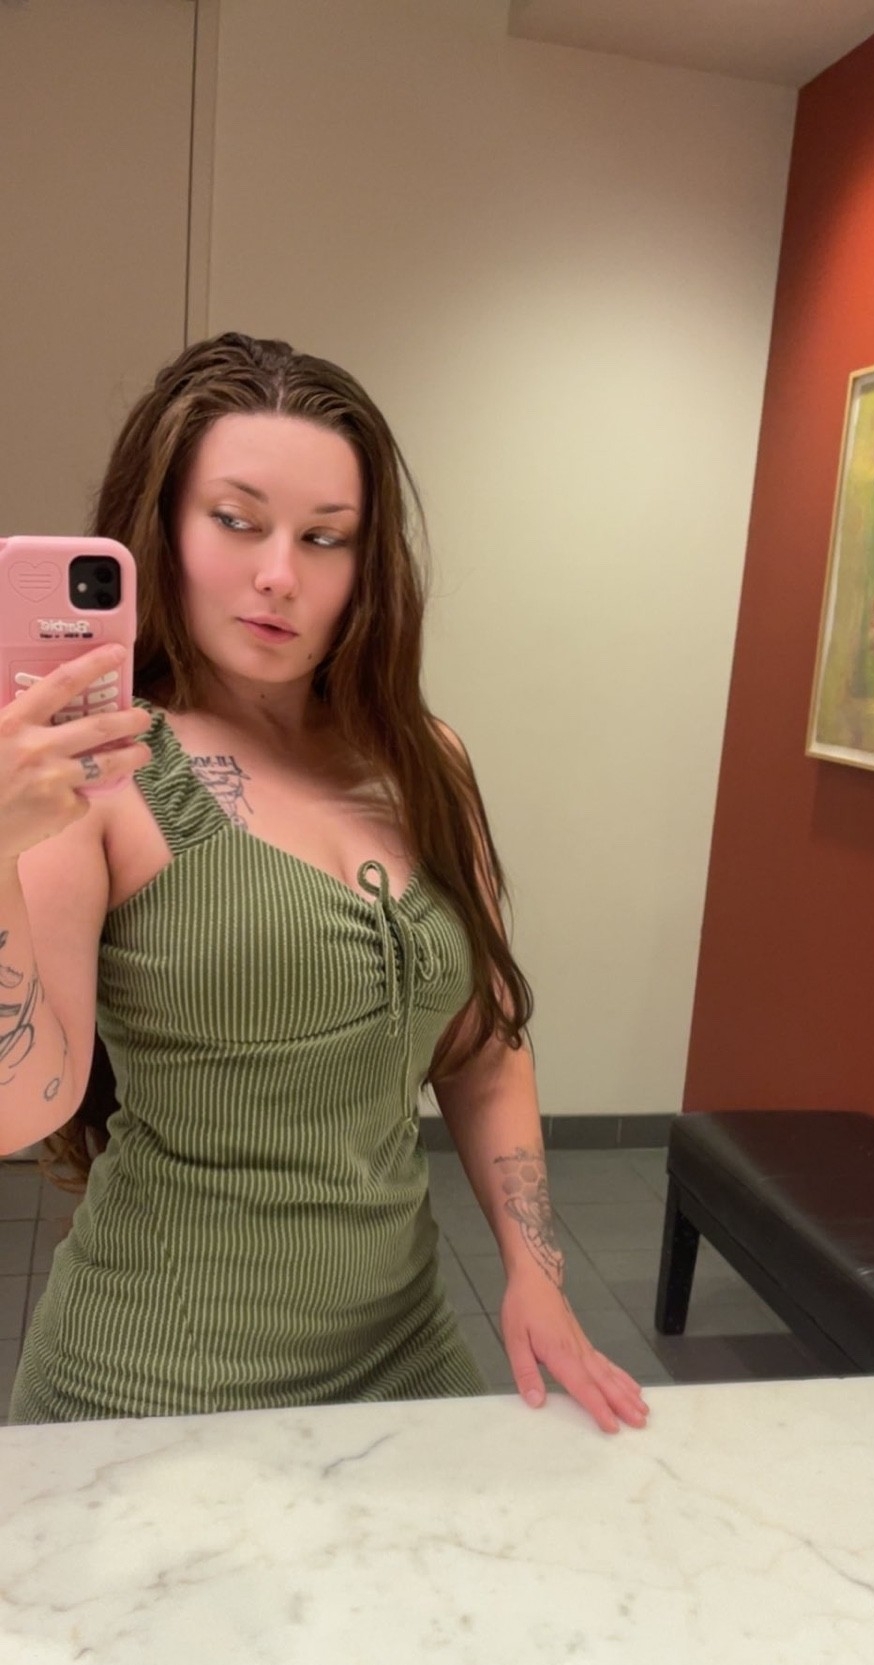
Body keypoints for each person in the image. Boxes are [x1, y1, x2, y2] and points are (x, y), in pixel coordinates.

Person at [0, 332, 648, 1436]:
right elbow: (26, 1104)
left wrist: (536, 1272)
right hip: (152, 1383)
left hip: (404, 1355)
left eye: (324, 537)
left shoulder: (424, 760)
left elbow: (483, 1044)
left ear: (366, 564)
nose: (279, 576)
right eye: (236, 521)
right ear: (163, 527)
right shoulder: (101, 771)